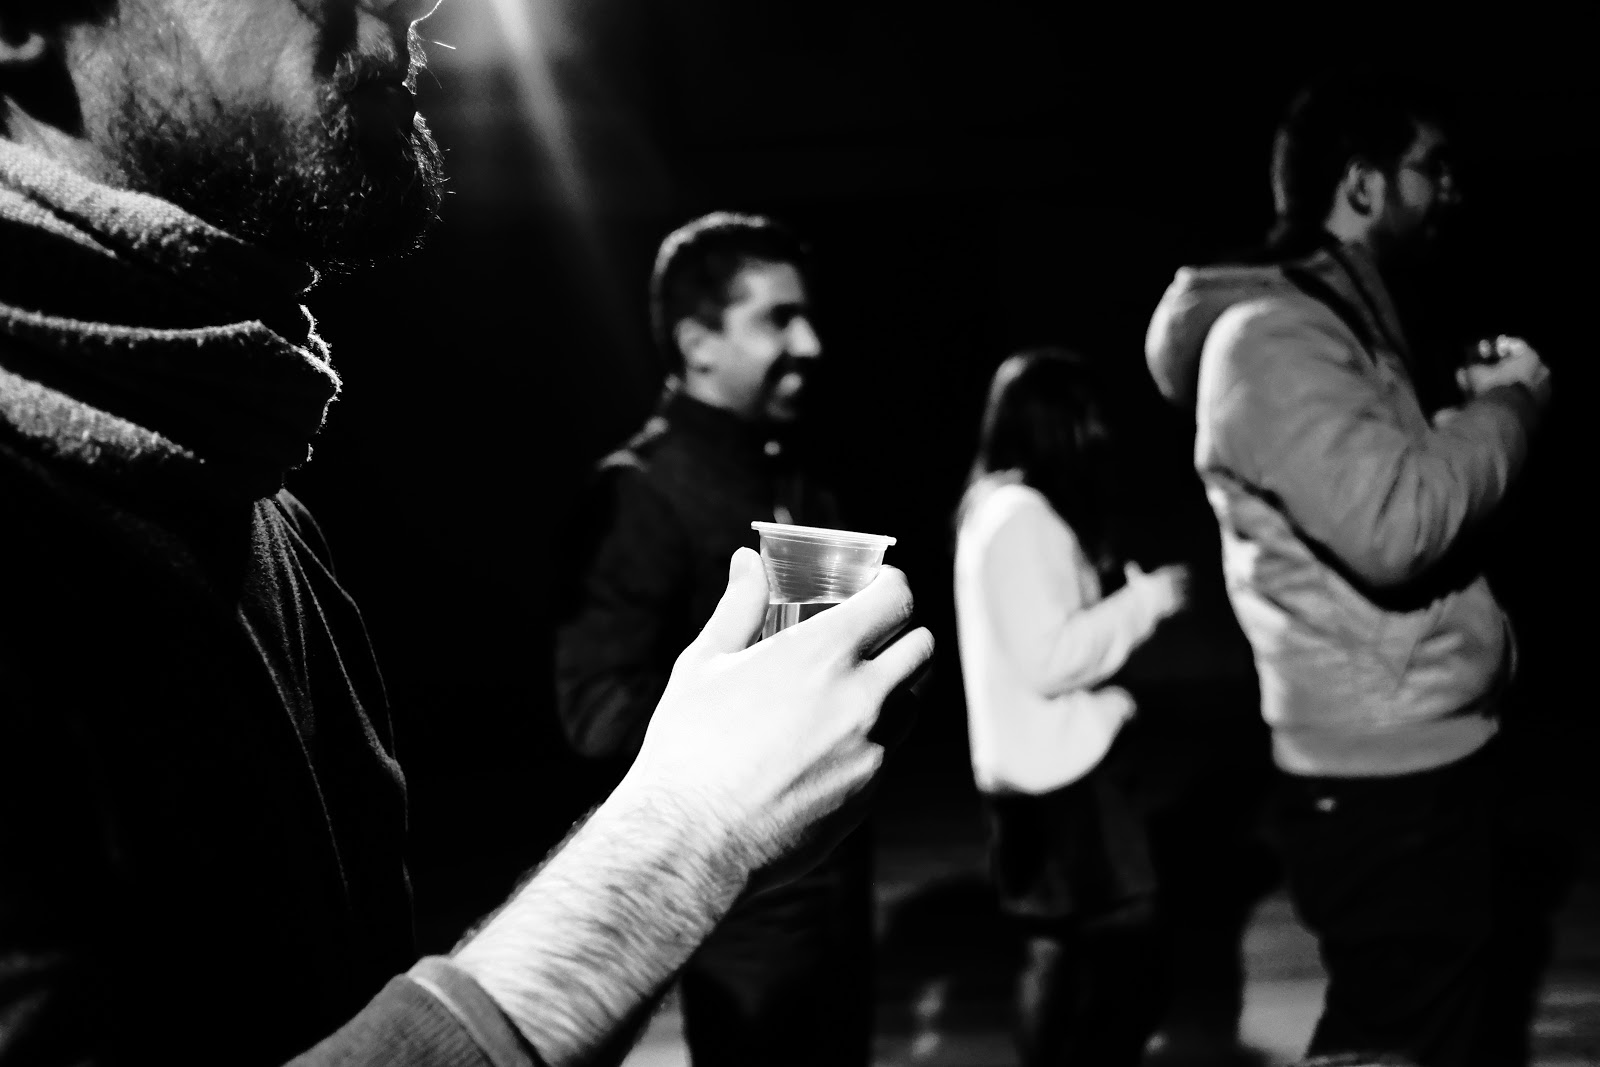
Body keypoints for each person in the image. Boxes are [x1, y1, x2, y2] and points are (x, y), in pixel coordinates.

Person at [0, 4, 933, 1067]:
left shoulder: (257, 499)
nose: (416, 2)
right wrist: (687, 831)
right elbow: (596, 708)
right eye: (776, 318)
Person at [1144, 70, 1552, 1067]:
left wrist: (1458, 415)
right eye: (1430, 167)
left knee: (1418, 1029)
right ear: (1362, 183)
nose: (1450, 189)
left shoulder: (1329, 322)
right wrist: (1508, 408)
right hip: (1385, 771)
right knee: (1393, 1038)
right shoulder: (1272, 338)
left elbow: (1381, 489)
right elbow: (1396, 524)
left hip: (1409, 745)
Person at [553, 211, 877, 1067]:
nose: (810, 343)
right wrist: (754, 722)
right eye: (777, 318)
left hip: (835, 891)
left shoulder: (790, 469)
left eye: (807, 316)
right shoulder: (639, 490)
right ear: (698, 343)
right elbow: (594, 713)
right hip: (743, 917)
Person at [952, 348, 1190, 1067]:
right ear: (1055, 422)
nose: (1101, 432)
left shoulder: (992, 508)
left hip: (1028, 767)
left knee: (1060, 945)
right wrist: (1147, 601)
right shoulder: (1021, 516)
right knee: (1108, 943)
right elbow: (1049, 657)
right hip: (1062, 775)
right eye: (1087, 416)